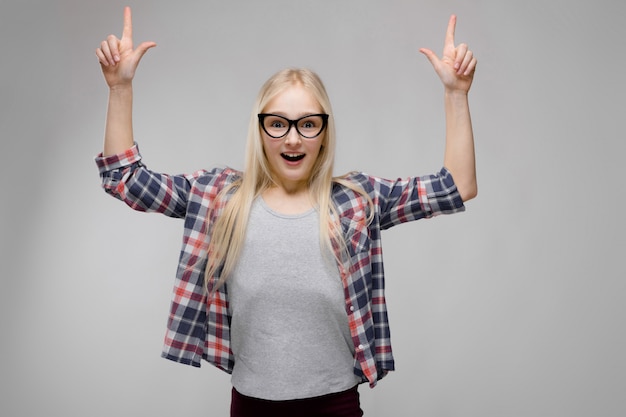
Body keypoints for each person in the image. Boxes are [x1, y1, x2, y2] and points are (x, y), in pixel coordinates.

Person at [95, 7, 477, 417]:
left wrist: (456, 94)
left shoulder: (357, 201)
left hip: (335, 405)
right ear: (260, 130)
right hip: (251, 405)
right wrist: (120, 88)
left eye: (308, 124)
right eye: (278, 123)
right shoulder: (220, 198)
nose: (293, 138)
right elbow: (125, 179)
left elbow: (457, 186)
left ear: (323, 132)